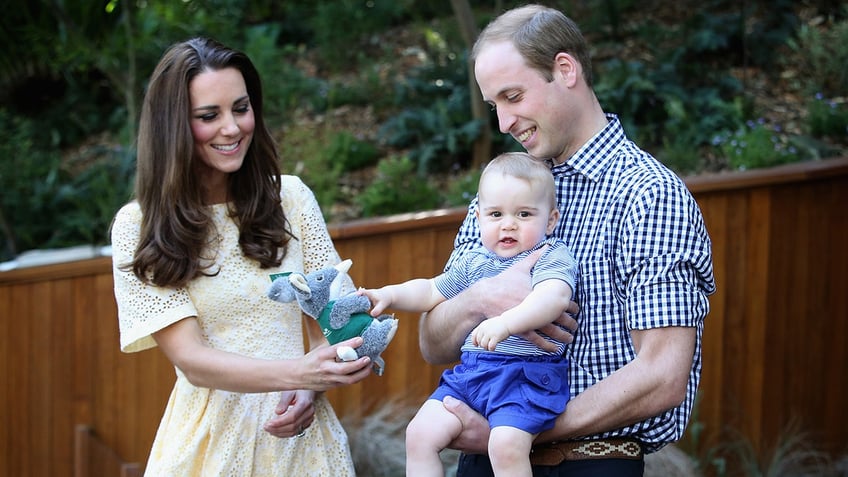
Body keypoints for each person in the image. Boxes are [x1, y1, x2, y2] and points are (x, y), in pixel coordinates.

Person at [418, 5, 716, 477]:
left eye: (513, 96)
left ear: (565, 69)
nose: (502, 122)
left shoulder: (648, 194)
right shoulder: (504, 194)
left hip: (589, 464)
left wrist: (521, 429)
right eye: (494, 105)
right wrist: (479, 298)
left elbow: (662, 376)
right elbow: (433, 343)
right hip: (482, 462)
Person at [110, 37, 373, 476]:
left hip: (303, 445)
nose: (232, 128)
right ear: (171, 126)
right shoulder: (139, 225)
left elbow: (333, 320)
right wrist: (300, 373)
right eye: (209, 116)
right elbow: (191, 360)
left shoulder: (290, 198)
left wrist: (311, 388)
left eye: (241, 107)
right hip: (206, 447)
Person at [360, 152, 578, 477]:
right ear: (478, 218)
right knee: (420, 434)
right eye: (496, 214)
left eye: (524, 214)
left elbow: (554, 297)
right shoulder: (476, 260)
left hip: (524, 376)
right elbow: (432, 290)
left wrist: (506, 323)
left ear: (550, 220)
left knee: (504, 445)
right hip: (472, 375)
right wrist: (389, 294)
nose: (508, 224)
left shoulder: (548, 255)